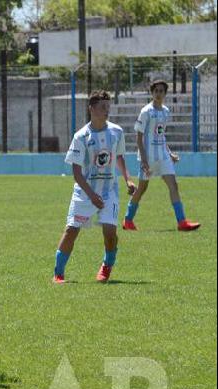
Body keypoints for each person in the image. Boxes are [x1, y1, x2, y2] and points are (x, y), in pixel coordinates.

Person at [53, 90, 136, 284]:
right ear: (91, 108)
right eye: (102, 107)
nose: (106, 111)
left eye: (108, 107)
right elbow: (76, 172)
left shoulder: (116, 132)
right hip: (85, 192)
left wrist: (127, 179)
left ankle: (106, 266)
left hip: (109, 191)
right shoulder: (81, 136)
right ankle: (58, 273)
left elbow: (120, 156)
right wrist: (91, 196)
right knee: (71, 230)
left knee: (109, 232)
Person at [122, 80, 202, 231]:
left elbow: (161, 135)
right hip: (149, 156)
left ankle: (182, 222)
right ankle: (128, 220)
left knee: (174, 185)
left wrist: (169, 152)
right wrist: (144, 160)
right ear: (152, 93)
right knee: (142, 189)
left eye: (161, 91)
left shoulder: (165, 111)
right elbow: (139, 138)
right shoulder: (146, 112)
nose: (158, 94)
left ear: (165, 93)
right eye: (156, 91)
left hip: (163, 156)